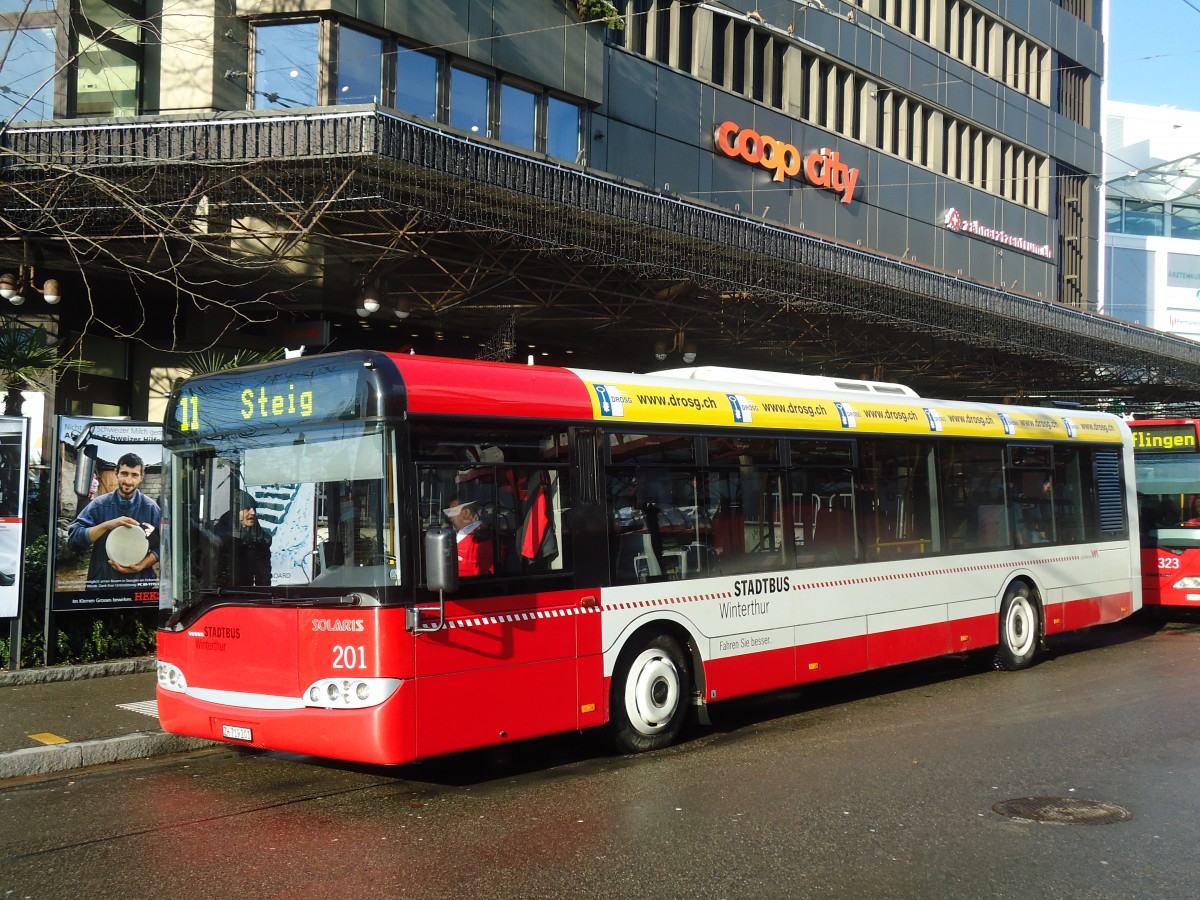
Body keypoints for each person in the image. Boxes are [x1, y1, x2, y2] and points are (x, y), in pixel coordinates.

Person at [66, 452, 161, 588]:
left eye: (134, 475)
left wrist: (141, 566)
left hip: (139, 586)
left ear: (141, 477)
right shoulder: (99, 505)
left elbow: (164, 547)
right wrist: (106, 526)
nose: (128, 481)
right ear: (116, 473)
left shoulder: (151, 508)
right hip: (103, 586)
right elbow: (74, 541)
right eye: (124, 473)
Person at [212, 490, 273, 586]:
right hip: (221, 598)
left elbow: (263, 582)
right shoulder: (218, 540)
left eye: (254, 508)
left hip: (246, 598)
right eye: (247, 508)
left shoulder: (260, 541)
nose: (253, 512)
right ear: (236, 512)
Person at [444, 497, 493, 577]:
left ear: (466, 513)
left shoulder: (481, 539)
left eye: (452, 512)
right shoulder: (471, 535)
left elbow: (480, 575)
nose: (450, 517)